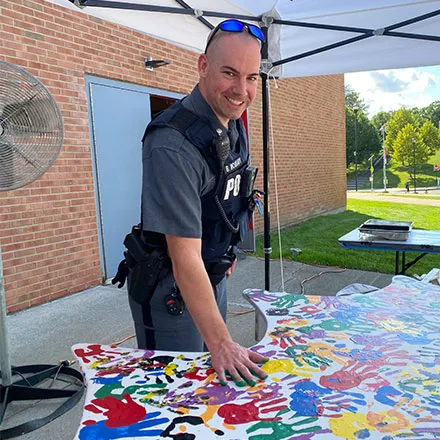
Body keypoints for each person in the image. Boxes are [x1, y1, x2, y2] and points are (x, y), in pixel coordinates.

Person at [125, 19, 268, 386]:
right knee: (175, 394)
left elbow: (231, 195)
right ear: (203, 66)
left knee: (210, 390)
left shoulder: (232, 120)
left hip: (212, 274)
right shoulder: (172, 144)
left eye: (252, 77)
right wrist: (222, 341)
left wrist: (228, 250)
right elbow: (183, 256)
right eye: (230, 73)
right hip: (172, 290)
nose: (242, 90)